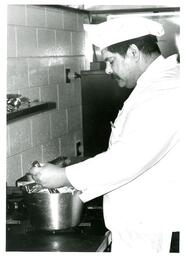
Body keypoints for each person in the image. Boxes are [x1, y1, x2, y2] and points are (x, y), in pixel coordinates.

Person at [30, 16, 182, 253]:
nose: (108, 70)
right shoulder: (155, 85)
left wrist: (64, 176)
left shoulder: (165, 91)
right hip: (143, 227)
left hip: (153, 232)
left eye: (110, 61)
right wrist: (80, 165)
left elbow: (127, 160)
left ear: (133, 52)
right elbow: (136, 149)